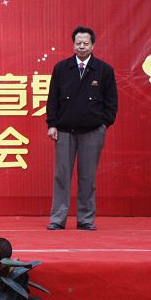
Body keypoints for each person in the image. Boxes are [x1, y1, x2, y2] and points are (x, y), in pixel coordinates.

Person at [46, 26, 118, 231]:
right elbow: (52, 99)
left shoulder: (104, 70)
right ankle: (57, 218)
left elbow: (111, 102)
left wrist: (104, 124)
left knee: (87, 177)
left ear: (93, 45)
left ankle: (85, 218)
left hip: (93, 131)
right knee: (61, 176)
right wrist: (52, 124)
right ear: (73, 44)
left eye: (86, 43)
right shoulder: (62, 68)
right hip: (64, 130)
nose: (82, 47)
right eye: (78, 43)